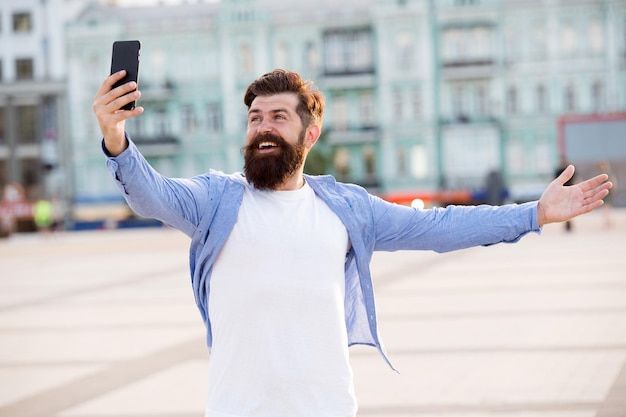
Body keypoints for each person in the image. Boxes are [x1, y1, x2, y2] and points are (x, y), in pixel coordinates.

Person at [93, 68, 612, 417]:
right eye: (255, 118)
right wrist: (116, 139)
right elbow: (150, 194)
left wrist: (534, 213)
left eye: (278, 117)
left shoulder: (345, 208)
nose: (263, 128)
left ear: (310, 134)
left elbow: (437, 228)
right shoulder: (214, 200)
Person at [554, 156, 576, 231]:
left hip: (567, 190)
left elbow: (554, 181)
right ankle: (568, 223)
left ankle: (568, 223)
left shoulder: (566, 170)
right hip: (565, 190)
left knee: (567, 207)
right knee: (567, 207)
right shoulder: (560, 170)